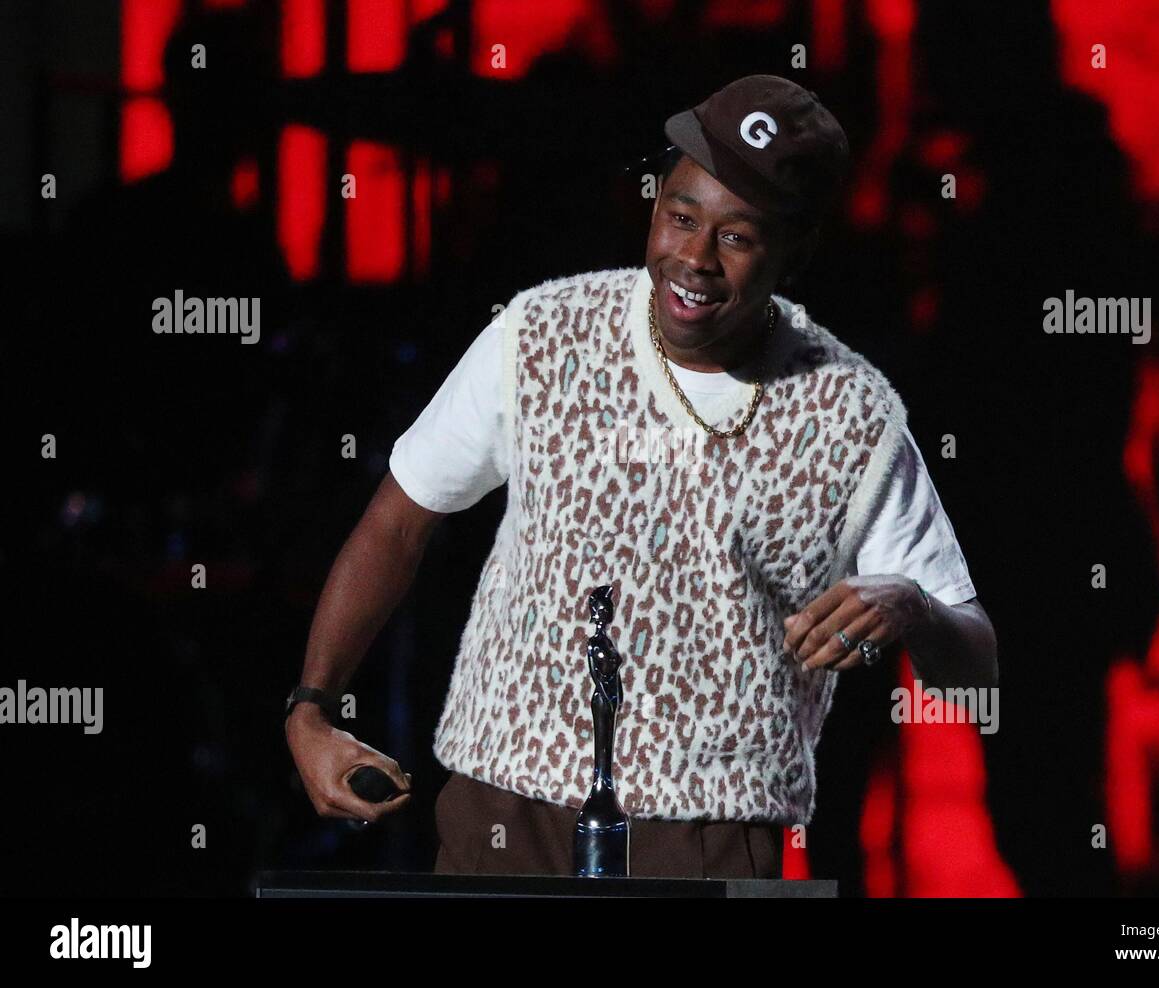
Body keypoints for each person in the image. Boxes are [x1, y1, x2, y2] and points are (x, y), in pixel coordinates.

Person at [284, 74, 997, 880]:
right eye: (680, 217)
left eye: (737, 237)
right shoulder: (542, 338)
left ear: (796, 252)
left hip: (707, 839)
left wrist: (908, 602)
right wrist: (312, 708)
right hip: (506, 822)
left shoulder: (847, 412)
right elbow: (398, 521)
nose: (693, 258)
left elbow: (974, 659)